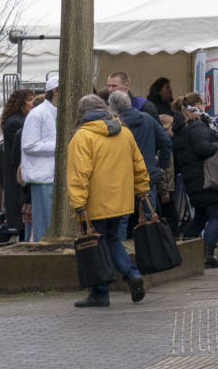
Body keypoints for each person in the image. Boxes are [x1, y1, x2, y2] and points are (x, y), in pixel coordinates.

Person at [65, 93, 150, 308]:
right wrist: (142, 190)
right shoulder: (125, 133)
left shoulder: (82, 136)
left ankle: (100, 291)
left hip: (95, 202)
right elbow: (138, 164)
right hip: (121, 200)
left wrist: (78, 204)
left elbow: (79, 174)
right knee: (111, 240)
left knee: (96, 244)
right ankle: (131, 274)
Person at [173, 95, 218, 269]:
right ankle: (207, 255)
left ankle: (187, 251)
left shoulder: (181, 126)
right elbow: (204, 149)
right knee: (216, 215)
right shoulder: (197, 125)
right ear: (197, 106)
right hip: (207, 178)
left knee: (201, 215)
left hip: (193, 178)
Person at [20, 77, 59, 241]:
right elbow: (28, 145)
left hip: (56, 175)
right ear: (55, 91)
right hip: (43, 177)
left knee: (54, 225)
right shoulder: (38, 114)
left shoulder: (58, 112)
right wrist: (59, 147)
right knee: (44, 226)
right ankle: (42, 257)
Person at [112, 90, 171, 192]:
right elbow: (166, 142)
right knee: (148, 207)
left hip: (123, 179)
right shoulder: (148, 119)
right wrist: (161, 167)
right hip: (148, 176)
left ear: (111, 107)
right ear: (129, 103)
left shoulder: (112, 125)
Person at [0, 89, 35, 243]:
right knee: (21, 212)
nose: (32, 103)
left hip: (17, 172)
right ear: (20, 103)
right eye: (30, 99)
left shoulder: (18, 119)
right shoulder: (16, 122)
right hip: (17, 174)